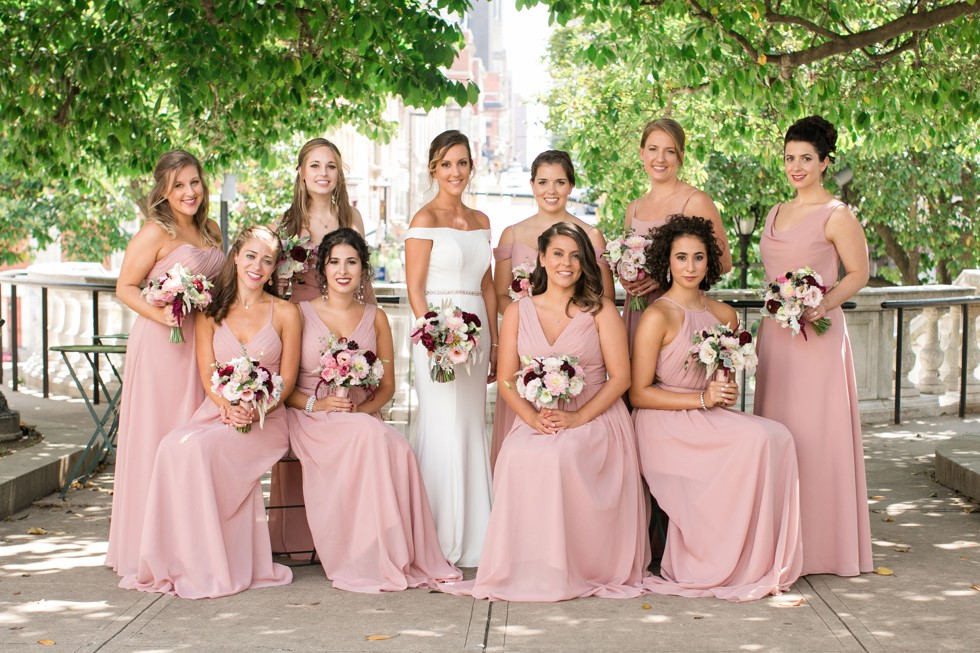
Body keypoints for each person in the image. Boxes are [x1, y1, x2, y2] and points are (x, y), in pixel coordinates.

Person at [442, 222, 648, 601]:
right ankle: (530, 563)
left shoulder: (601, 310)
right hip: (540, 417)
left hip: (595, 416)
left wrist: (578, 417)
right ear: (541, 258)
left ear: (585, 263)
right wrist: (532, 417)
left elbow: (620, 379)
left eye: (574, 256)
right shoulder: (520, 311)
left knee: (561, 456)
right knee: (518, 454)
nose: (565, 263)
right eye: (557, 254)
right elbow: (506, 380)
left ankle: (575, 564)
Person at [119, 226, 301, 598]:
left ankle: (212, 561)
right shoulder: (211, 312)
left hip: (267, 420)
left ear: (273, 270)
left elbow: (287, 381)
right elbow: (206, 374)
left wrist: (255, 408)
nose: (257, 266)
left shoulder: (286, 312)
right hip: (218, 412)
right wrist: (228, 406)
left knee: (199, 451)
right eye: (250, 255)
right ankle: (179, 557)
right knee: (173, 445)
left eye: (266, 261)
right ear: (235, 257)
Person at [630, 215, 803, 601]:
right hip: (664, 423)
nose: (690, 267)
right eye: (681, 258)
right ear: (667, 261)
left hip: (708, 416)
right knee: (755, 440)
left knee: (778, 436)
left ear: (709, 263)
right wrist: (701, 400)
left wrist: (721, 391)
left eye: (698, 258)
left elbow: (727, 380)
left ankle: (756, 558)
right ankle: (709, 560)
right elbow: (638, 394)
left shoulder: (725, 315)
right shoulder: (657, 316)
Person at [283, 228, 461, 592]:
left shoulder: (375, 317)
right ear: (323, 268)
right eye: (334, 262)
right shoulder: (298, 314)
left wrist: (364, 411)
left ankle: (392, 551)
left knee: (396, 446)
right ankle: (360, 556)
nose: (343, 270)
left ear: (364, 269)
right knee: (373, 439)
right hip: (311, 415)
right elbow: (284, 389)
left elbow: (388, 387)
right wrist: (320, 403)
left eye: (352, 262)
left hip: (360, 417)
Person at [754, 115, 873, 577]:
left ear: (825, 162)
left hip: (817, 338)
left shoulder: (837, 215)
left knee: (816, 438)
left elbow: (857, 273)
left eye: (806, 158)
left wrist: (818, 306)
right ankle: (784, 541)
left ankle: (823, 547)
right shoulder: (774, 212)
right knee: (779, 434)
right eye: (789, 158)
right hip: (776, 340)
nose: (796, 167)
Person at [106, 150, 225, 577]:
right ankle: (146, 546)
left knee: (191, 438)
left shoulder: (210, 228)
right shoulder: (156, 231)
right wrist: (165, 313)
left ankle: (189, 543)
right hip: (162, 343)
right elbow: (125, 286)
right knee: (159, 439)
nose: (189, 192)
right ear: (163, 190)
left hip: (200, 344)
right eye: (178, 185)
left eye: (194, 182)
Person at [270, 137, 376, 555]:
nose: (322, 173)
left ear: (339, 173)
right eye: (314, 165)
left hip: (347, 316)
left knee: (348, 412)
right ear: (301, 171)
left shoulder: (351, 216)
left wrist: (364, 330)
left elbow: (362, 277)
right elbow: (275, 284)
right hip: (300, 318)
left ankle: (350, 534)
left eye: (330, 166)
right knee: (306, 408)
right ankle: (300, 537)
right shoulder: (286, 221)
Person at [489, 150, 615, 471]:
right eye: (543, 182)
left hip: (577, 351)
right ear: (531, 185)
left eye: (560, 182)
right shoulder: (513, 234)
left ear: (571, 186)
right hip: (528, 351)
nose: (551, 190)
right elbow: (501, 295)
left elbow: (605, 298)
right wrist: (532, 314)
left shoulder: (590, 235)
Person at [404, 130, 496, 567]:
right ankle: (437, 538)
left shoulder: (482, 220)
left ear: (471, 167)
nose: (455, 171)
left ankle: (478, 535)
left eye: (462, 163)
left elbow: (489, 286)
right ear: (433, 169)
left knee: (471, 423)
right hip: (437, 332)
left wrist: (494, 341)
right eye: (446, 164)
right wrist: (435, 337)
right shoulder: (423, 220)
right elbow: (415, 288)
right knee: (442, 423)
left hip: (478, 333)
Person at [620, 118, 732, 350]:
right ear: (642, 153)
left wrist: (664, 278)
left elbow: (724, 263)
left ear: (681, 155)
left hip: (678, 315)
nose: (659, 159)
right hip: (636, 309)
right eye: (653, 149)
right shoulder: (633, 208)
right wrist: (625, 274)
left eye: (669, 151)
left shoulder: (696, 201)